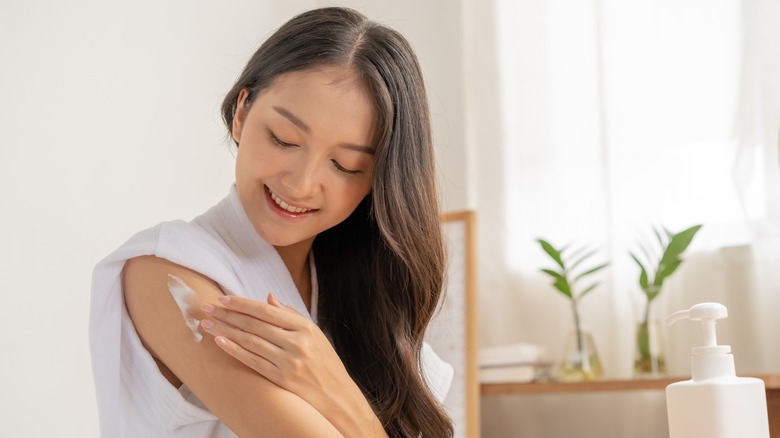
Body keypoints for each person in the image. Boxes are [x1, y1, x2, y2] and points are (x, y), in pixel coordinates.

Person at [89, 6, 455, 438]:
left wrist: (334, 386)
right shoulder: (165, 270)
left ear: (379, 179)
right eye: (283, 139)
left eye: (345, 165)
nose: (301, 184)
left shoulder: (367, 298)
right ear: (242, 113)